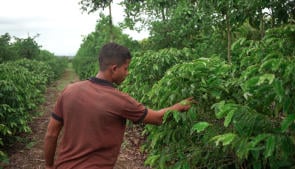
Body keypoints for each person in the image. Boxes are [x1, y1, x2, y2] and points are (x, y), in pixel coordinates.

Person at [44, 43, 194, 169]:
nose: (127, 73)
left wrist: (50, 166)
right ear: (114, 68)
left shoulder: (69, 91)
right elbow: (159, 118)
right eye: (126, 68)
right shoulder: (120, 100)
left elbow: (51, 134)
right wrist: (182, 105)